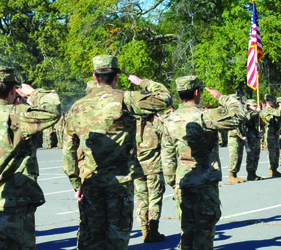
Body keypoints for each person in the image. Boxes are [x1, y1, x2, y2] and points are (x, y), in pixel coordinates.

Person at [63, 55, 171, 250]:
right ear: (116, 77)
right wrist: (142, 82)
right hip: (120, 183)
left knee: (90, 239)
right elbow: (164, 98)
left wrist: (75, 182)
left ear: (95, 77)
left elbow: (69, 150)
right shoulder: (125, 98)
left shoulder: (77, 106)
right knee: (116, 240)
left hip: (90, 181)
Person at [0, 65, 61, 249]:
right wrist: (34, 93)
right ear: (12, 90)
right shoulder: (16, 115)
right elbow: (52, 110)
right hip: (15, 206)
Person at [161, 75, 244, 250]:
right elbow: (238, 115)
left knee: (187, 232)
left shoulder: (169, 120)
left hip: (183, 182)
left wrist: (174, 182)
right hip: (204, 183)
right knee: (204, 232)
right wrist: (222, 97)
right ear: (197, 92)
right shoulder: (204, 116)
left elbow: (167, 158)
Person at [134, 110, 169, 243]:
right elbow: (167, 138)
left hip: (137, 169)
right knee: (154, 200)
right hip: (153, 168)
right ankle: (153, 231)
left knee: (141, 201)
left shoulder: (132, 126)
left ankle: (145, 231)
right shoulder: (155, 125)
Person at [261, 95, 281, 178]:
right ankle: (272, 169)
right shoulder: (267, 109)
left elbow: (276, 120)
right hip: (269, 133)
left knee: (277, 151)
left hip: (274, 132)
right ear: (267, 101)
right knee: (272, 152)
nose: (273, 102)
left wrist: (278, 129)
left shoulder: (272, 109)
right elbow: (277, 113)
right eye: (271, 101)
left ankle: (275, 169)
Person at [244, 99, 263, 181]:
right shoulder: (246, 113)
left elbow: (262, 125)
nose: (256, 107)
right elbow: (246, 118)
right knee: (250, 156)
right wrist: (256, 112)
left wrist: (262, 132)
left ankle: (254, 172)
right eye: (254, 106)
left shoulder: (257, 115)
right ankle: (250, 174)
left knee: (256, 155)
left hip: (256, 136)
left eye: (256, 106)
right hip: (249, 137)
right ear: (248, 106)